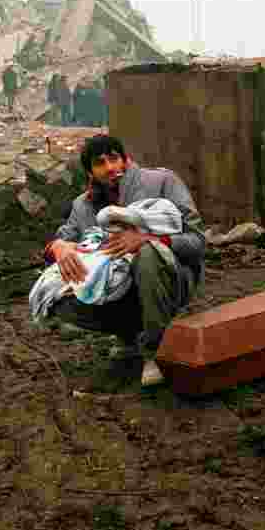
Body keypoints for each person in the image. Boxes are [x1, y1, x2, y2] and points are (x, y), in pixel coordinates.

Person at [40, 135, 207, 386]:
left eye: (114, 158)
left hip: (173, 277)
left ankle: (156, 351)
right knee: (57, 289)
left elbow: (197, 241)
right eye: (100, 163)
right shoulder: (83, 206)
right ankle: (127, 335)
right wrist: (59, 248)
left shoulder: (162, 182)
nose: (109, 167)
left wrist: (150, 239)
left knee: (147, 254)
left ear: (125, 159)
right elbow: (62, 240)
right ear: (90, 172)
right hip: (120, 285)